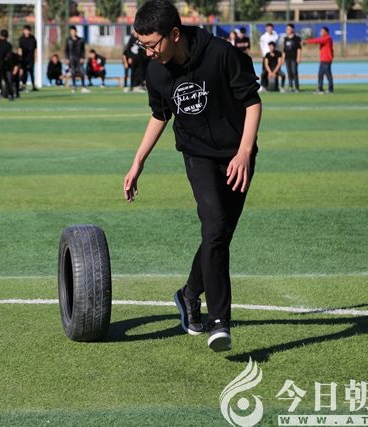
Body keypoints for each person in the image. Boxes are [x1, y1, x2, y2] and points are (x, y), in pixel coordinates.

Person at [123, 0, 262, 352]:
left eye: (152, 44)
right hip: (197, 156)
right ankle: (219, 321)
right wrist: (138, 161)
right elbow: (160, 115)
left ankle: (188, 294)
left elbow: (252, 102)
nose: (148, 52)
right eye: (141, 44)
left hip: (237, 155)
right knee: (214, 227)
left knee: (220, 234)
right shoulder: (156, 71)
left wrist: (244, 152)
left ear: (174, 34)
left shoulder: (221, 54)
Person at [305, 26, 334, 94]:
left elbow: (318, 40)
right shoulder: (324, 38)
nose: (320, 32)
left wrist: (307, 41)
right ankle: (320, 88)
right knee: (320, 74)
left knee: (328, 74)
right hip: (323, 60)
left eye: (322, 31)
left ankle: (330, 89)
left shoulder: (327, 38)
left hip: (327, 59)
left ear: (326, 32)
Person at [64, 26, 89, 93]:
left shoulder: (81, 40)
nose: (72, 33)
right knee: (73, 72)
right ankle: (74, 87)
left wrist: (82, 57)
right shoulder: (68, 40)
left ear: (76, 32)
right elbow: (66, 50)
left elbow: (83, 50)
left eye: (73, 31)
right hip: (71, 58)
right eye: (71, 31)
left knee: (81, 72)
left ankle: (83, 87)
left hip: (79, 58)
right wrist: (67, 58)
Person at [258, 23, 278, 91]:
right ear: (266, 28)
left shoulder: (275, 36)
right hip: (266, 57)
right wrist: (263, 55)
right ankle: (263, 86)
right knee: (264, 72)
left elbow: (277, 46)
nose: (269, 29)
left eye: (271, 28)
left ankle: (275, 87)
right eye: (268, 28)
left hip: (274, 57)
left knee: (275, 71)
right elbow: (261, 47)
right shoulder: (263, 37)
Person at [282, 23, 301, 92]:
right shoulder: (285, 38)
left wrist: (298, 57)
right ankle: (290, 86)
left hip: (294, 58)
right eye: (287, 29)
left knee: (294, 72)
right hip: (287, 58)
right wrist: (283, 59)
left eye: (289, 29)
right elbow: (284, 50)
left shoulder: (297, 38)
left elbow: (299, 49)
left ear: (292, 29)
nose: (287, 30)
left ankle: (296, 87)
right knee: (289, 72)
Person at [19, 25, 38, 92]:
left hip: (31, 57)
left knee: (31, 71)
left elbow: (35, 49)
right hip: (24, 58)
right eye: (26, 30)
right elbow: (20, 48)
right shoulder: (21, 39)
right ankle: (23, 85)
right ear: (23, 31)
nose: (27, 32)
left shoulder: (33, 38)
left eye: (28, 30)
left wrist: (36, 57)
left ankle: (33, 85)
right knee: (24, 72)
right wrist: (20, 58)